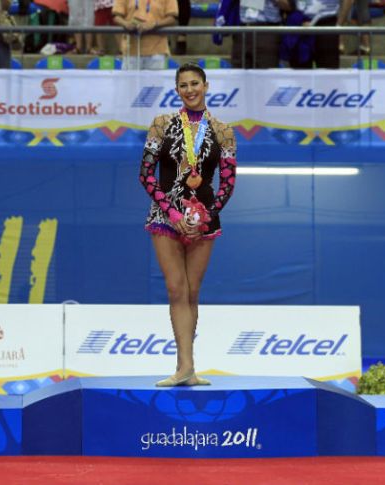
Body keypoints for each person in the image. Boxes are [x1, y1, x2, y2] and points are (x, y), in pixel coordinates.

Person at [139, 64, 237, 386]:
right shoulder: (161, 124)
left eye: (195, 83)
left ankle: (189, 368)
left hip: (204, 220)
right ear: (177, 90)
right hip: (165, 217)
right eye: (183, 85)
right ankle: (183, 367)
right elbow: (145, 174)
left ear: (206, 86)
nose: (190, 89)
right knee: (176, 289)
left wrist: (206, 216)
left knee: (193, 292)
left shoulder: (223, 131)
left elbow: (228, 182)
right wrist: (173, 213)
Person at [112, 0, 179, 70]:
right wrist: (126, 24)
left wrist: (154, 24)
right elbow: (116, 16)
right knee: (129, 80)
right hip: (131, 50)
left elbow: (172, 18)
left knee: (155, 81)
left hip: (157, 50)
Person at [288, 0, 354, 69]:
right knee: (299, 73)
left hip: (326, 25)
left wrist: (338, 25)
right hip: (298, 23)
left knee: (328, 72)